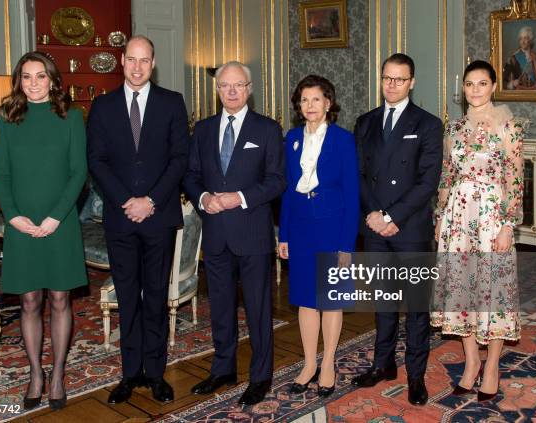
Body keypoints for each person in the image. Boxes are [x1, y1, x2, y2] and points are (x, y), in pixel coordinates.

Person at [87, 35, 190, 404]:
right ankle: (130, 374)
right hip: (120, 218)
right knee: (128, 298)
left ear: (153, 63)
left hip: (158, 217)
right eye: (131, 59)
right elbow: (96, 160)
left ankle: (156, 373)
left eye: (144, 60)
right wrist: (126, 201)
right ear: (122, 60)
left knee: (156, 297)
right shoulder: (103, 106)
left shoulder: (172, 103)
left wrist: (150, 200)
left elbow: (180, 158)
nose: (137, 67)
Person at [183, 61, 285, 406]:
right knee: (221, 308)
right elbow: (191, 175)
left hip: (252, 234)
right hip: (215, 235)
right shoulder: (204, 129)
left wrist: (239, 198)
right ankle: (223, 368)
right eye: (225, 85)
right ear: (217, 89)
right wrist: (203, 197)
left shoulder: (267, 129)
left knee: (258, 309)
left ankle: (260, 377)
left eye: (238, 85)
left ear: (249, 88)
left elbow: (276, 180)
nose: (231, 91)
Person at [0, 51, 88, 411]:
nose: (33, 84)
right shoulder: (7, 117)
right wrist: (13, 216)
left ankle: (59, 373)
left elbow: (78, 173)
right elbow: (0, 173)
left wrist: (56, 217)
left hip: (59, 224)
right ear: (18, 80)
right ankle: (36, 373)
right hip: (20, 225)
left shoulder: (71, 116)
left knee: (60, 299)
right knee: (29, 301)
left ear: (53, 80)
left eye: (41, 76)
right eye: (26, 77)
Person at [351, 53, 443, 406]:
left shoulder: (428, 124)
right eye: (387, 78)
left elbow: (426, 182)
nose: (391, 85)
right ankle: (382, 364)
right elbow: (359, 174)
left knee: (416, 307)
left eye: (399, 79)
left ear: (412, 82)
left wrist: (391, 216)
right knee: (384, 301)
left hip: (410, 227)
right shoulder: (366, 122)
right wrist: (374, 216)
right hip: (375, 228)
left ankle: (416, 375)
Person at [432, 60, 523, 402]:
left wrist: (507, 224)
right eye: (469, 84)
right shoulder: (453, 128)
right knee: (461, 288)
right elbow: (446, 176)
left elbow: (514, 180)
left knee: (492, 288)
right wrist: (441, 215)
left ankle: (493, 365)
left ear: (493, 86)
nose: (474, 90)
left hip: (490, 218)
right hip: (457, 216)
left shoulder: (508, 128)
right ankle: (471, 364)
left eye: (481, 83)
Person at [278, 75, 359, 397]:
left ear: (328, 103)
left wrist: (345, 244)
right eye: (304, 100)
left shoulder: (342, 139)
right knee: (305, 300)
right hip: (299, 227)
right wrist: (282, 234)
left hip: (331, 226)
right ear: (299, 106)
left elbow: (352, 194)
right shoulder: (292, 138)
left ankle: (328, 364)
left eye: (316, 99)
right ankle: (309, 363)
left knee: (330, 297)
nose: (310, 105)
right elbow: (286, 189)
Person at [503, 26, 536, 90]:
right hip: (520, 95)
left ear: (530, 40)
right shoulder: (512, 59)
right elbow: (503, 82)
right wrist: (512, 83)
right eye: (520, 39)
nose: (522, 41)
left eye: (525, 38)